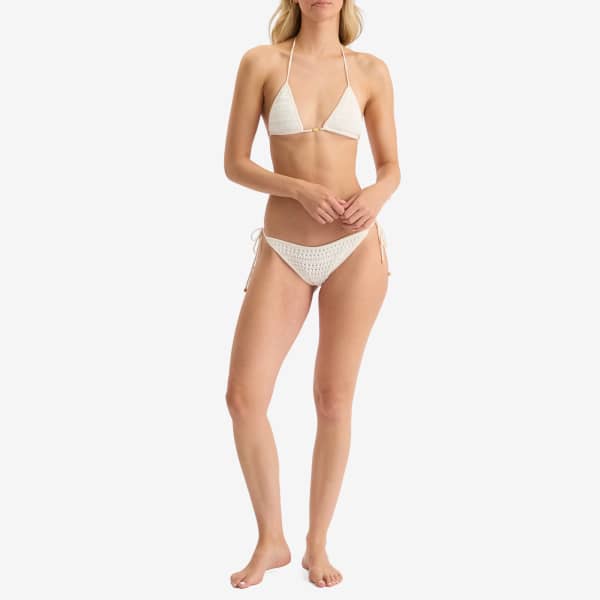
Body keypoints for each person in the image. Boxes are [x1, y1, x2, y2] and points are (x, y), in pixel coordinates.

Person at [223, 0, 400, 589]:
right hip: (283, 246)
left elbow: (392, 167)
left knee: (333, 398)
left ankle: (316, 544)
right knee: (244, 397)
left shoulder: (370, 70)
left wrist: (375, 195)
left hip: (355, 249)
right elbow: (235, 164)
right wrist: (296, 188)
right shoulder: (261, 62)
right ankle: (270, 539)